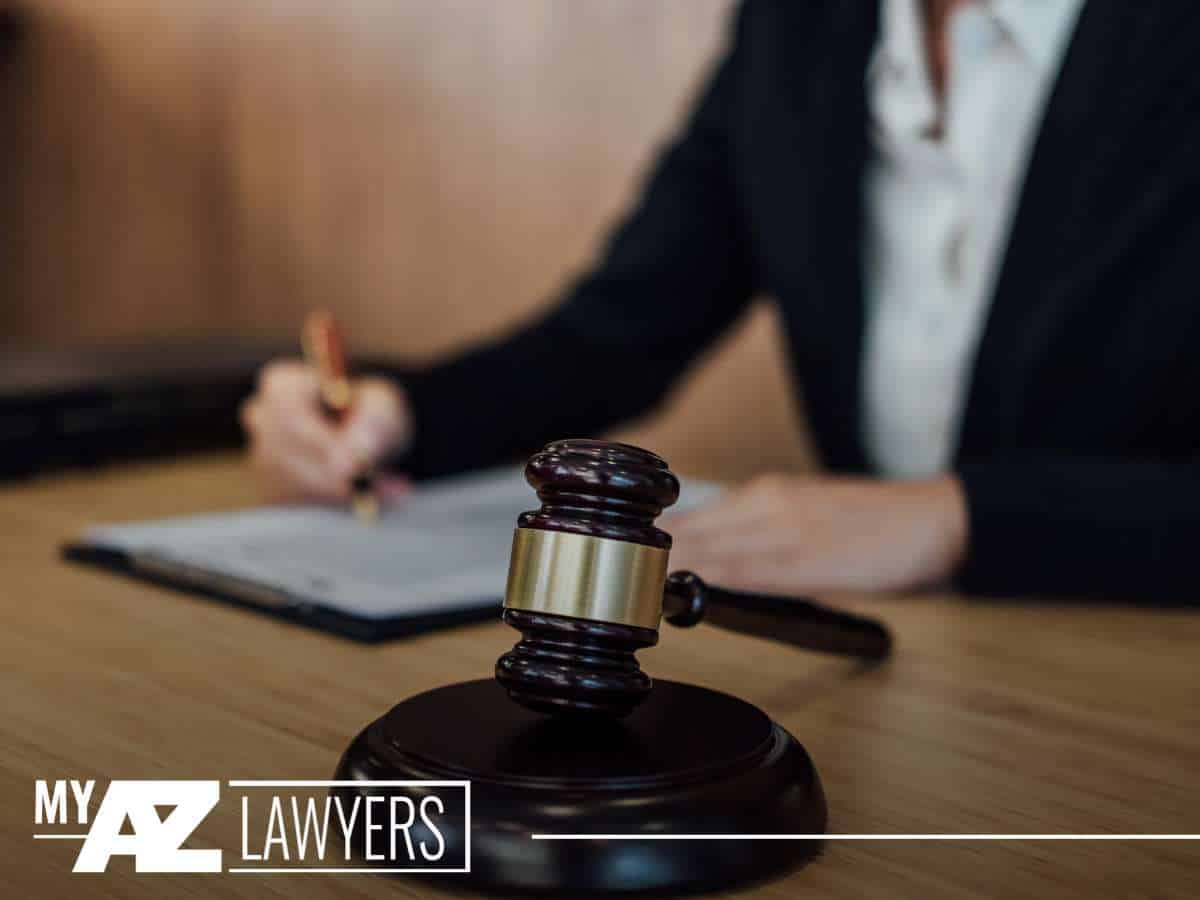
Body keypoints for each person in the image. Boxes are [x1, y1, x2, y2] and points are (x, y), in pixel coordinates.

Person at [242, 0, 1200, 603]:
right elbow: (611, 335)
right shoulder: (802, 30)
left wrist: (960, 518)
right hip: (908, 673)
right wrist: (395, 418)